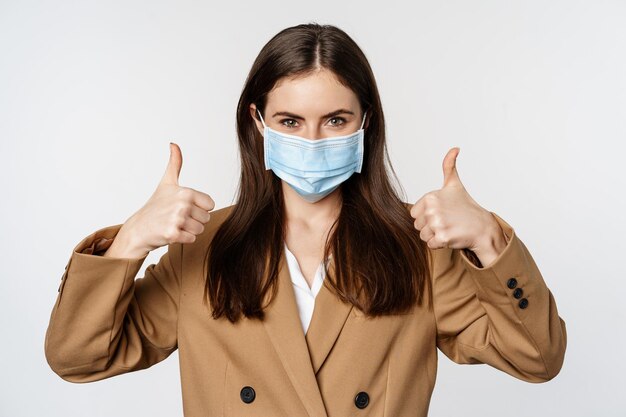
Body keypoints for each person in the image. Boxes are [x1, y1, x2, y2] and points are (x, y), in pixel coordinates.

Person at [44, 23, 567, 417]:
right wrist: (131, 241)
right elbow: (78, 359)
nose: (313, 142)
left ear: (366, 122)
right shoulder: (202, 248)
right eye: (290, 121)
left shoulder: (420, 251)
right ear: (258, 123)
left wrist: (488, 240)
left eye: (335, 120)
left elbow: (536, 359)